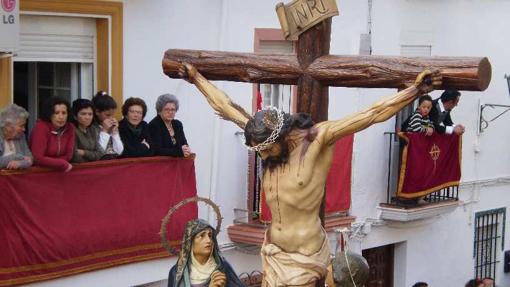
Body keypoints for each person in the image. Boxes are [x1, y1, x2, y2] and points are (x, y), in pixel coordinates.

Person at [177, 63, 441, 286]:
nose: (264, 157)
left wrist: (415, 90)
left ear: (281, 136)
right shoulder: (263, 137)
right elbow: (225, 106)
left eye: (267, 150)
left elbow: (371, 114)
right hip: (272, 251)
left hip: (304, 257)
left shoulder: (317, 140)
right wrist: (196, 78)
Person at [167, 219, 244, 287]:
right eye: (202, 236)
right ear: (190, 242)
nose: (208, 240)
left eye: (210, 235)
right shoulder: (177, 272)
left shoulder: (223, 267)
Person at [30, 96, 75, 172]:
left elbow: (69, 155)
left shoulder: (70, 127)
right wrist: (61, 163)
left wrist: (58, 163)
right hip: (41, 172)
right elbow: (38, 158)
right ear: (49, 114)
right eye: (56, 113)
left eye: (64, 113)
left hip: (61, 170)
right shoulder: (41, 127)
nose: (61, 117)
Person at [92, 91, 123, 159]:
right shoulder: (92, 128)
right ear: (97, 112)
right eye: (107, 115)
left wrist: (115, 133)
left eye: (112, 115)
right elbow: (99, 151)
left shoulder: (111, 127)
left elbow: (119, 151)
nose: (111, 118)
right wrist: (105, 131)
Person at [0, 104, 33, 169]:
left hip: (17, 178)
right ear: (9, 126)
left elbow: (30, 159)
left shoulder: (21, 136)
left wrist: (20, 163)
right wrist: (19, 157)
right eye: (21, 125)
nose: (24, 129)